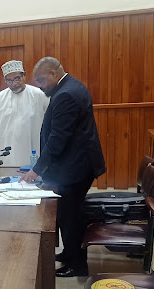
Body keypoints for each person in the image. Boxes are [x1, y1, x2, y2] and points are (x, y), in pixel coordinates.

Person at [20, 57, 106, 277]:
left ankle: (77, 265)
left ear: (53, 74)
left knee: (71, 218)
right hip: (73, 165)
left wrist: (36, 170)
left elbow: (58, 138)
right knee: (67, 215)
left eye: (41, 80)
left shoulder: (66, 94)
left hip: (75, 169)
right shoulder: (69, 87)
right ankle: (69, 254)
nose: (39, 85)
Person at [0, 60, 49, 166]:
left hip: (32, 151)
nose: (14, 84)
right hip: (7, 155)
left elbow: (51, 123)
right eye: (9, 80)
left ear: (24, 76)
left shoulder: (39, 95)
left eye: (17, 78)